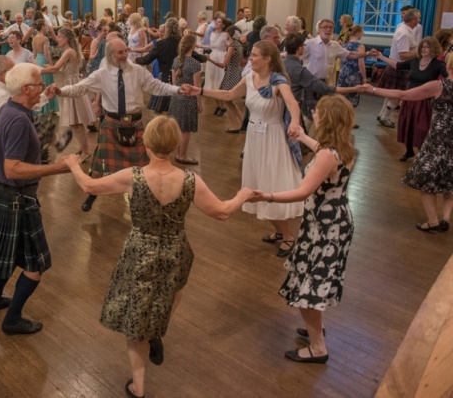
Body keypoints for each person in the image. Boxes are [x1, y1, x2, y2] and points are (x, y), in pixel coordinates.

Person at [65, 116, 253, 398]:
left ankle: (138, 386)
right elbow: (223, 211)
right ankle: (157, 327)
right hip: (177, 250)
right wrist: (243, 195)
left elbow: (90, 187)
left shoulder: (134, 176)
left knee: (136, 321)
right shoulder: (191, 180)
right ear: (176, 143)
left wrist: (72, 165)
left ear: (146, 143)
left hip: (141, 250)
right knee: (171, 292)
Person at [249, 95, 356, 364]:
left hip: (325, 227)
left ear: (326, 119)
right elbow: (322, 150)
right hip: (336, 221)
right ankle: (315, 331)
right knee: (315, 279)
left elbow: (302, 192)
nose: (314, 115)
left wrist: (267, 196)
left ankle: (318, 348)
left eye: (318, 112)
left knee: (310, 287)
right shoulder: (344, 147)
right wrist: (303, 137)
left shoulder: (325, 156)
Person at [187, 41, 304, 256]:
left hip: (273, 139)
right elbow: (229, 95)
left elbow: (292, 104)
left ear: (268, 59)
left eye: (256, 55)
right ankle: (279, 231)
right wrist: (200, 90)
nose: (250, 58)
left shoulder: (279, 82)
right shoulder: (249, 78)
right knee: (258, 183)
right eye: (251, 55)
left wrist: (295, 122)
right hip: (254, 138)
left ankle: (287, 236)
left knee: (271, 185)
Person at [0, 63, 70, 335]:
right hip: (18, 198)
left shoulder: (10, 107)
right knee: (35, 265)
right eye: (39, 83)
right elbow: (13, 168)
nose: (43, 86)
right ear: (27, 89)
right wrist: (57, 167)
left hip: (4, 195)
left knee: (10, 256)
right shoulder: (19, 119)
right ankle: (12, 319)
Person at [49, 38, 184, 212]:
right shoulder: (101, 74)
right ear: (110, 55)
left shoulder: (137, 71)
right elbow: (79, 88)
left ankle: (145, 198)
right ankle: (93, 193)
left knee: (143, 166)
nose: (125, 55)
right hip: (112, 124)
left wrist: (177, 90)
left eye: (126, 51)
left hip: (135, 123)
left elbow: (156, 86)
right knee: (99, 164)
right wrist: (60, 90)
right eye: (120, 53)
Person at [361, 53, 453, 232]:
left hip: (438, 141)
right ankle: (446, 219)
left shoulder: (440, 86)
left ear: (449, 66)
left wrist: (372, 89)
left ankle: (433, 222)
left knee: (425, 182)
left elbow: (403, 94)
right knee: (450, 183)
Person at [378, 37, 447, 162]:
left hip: (425, 102)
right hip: (409, 99)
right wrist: (381, 56)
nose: (424, 49)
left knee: (422, 127)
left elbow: (449, 78)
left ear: (434, 48)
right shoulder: (414, 61)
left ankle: (421, 153)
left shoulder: (439, 65)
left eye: (427, 47)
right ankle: (409, 151)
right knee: (407, 124)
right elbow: (397, 65)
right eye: (422, 47)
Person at [40, 29, 95, 161]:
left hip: (72, 85)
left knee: (75, 122)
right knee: (74, 122)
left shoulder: (69, 51)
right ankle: (83, 148)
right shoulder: (69, 51)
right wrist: (49, 67)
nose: (57, 39)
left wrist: (37, 70)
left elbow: (55, 69)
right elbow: (60, 68)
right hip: (71, 83)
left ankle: (86, 150)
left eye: (59, 37)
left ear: (66, 39)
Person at [168, 34, 202, 164]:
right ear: (193, 46)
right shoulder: (195, 64)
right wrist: (199, 103)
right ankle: (182, 155)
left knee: (176, 127)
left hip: (176, 96)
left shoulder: (176, 60)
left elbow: (174, 82)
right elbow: (196, 86)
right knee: (185, 130)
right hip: (188, 99)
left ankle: (177, 153)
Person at [206, 26, 244, 132]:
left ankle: (236, 125)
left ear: (229, 34)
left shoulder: (232, 47)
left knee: (227, 100)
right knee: (229, 101)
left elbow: (223, 64)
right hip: (235, 73)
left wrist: (210, 60)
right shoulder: (238, 45)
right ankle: (242, 122)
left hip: (231, 74)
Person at [336, 25, 368, 114]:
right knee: (353, 96)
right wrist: (364, 78)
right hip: (354, 74)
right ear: (357, 33)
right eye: (362, 32)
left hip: (343, 72)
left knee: (341, 96)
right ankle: (350, 120)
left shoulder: (343, 44)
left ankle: (339, 117)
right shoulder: (360, 46)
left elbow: (340, 61)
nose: (363, 34)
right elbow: (361, 64)